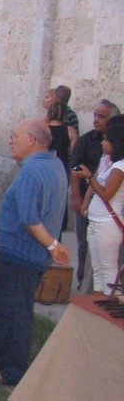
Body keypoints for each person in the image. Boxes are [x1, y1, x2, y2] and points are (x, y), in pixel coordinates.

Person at [0, 119, 69, 386]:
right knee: (8, 306)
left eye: (15, 136)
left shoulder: (33, 171)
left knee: (15, 312)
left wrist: (54, 247)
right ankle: (0, 358)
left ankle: (12, 370)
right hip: (29, 255)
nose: (11, 140)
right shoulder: (54, 163)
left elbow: (30, 219)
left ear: (32, 140)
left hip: (22, 254)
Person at [69, 99, 118, 289]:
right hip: (88, 206)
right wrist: (78, 198)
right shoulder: (87, 140)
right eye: (95, 115)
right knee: (85, 246)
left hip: (108, 215)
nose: (96, 120)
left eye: (101, 116)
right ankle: (84, 283)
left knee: (105, 261)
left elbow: (101, 185)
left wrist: (89, 178)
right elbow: (76, 168)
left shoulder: (116, 158)